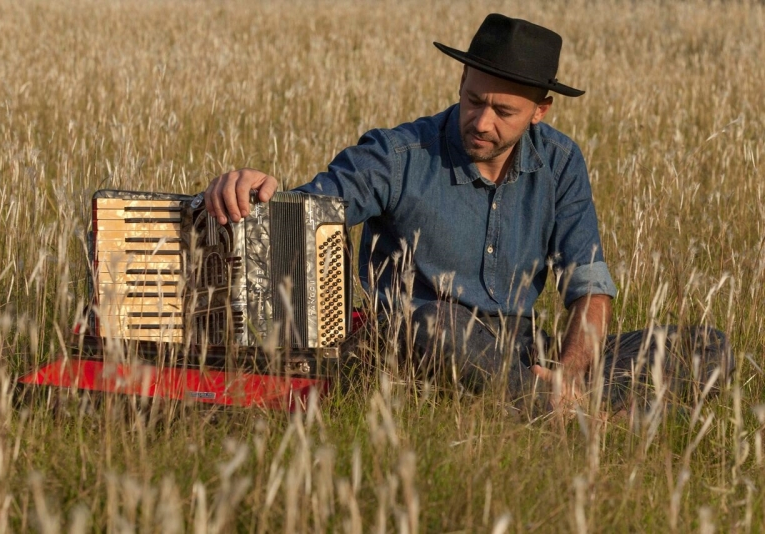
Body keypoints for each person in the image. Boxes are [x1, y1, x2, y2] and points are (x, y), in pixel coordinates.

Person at [204, 14, 733, 411]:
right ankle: (568, 411)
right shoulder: (396, 154)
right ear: (461, 81)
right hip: (422, 342)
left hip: (524, 349)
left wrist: (570, 373)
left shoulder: (561, 161)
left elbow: (589, 285)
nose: (481, 122)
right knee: (427, 319)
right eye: (474, 100)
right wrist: (255, 189)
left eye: (504, 112)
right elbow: (313, 207)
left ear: (540, 111)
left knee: (708, 349)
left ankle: (553, 402)